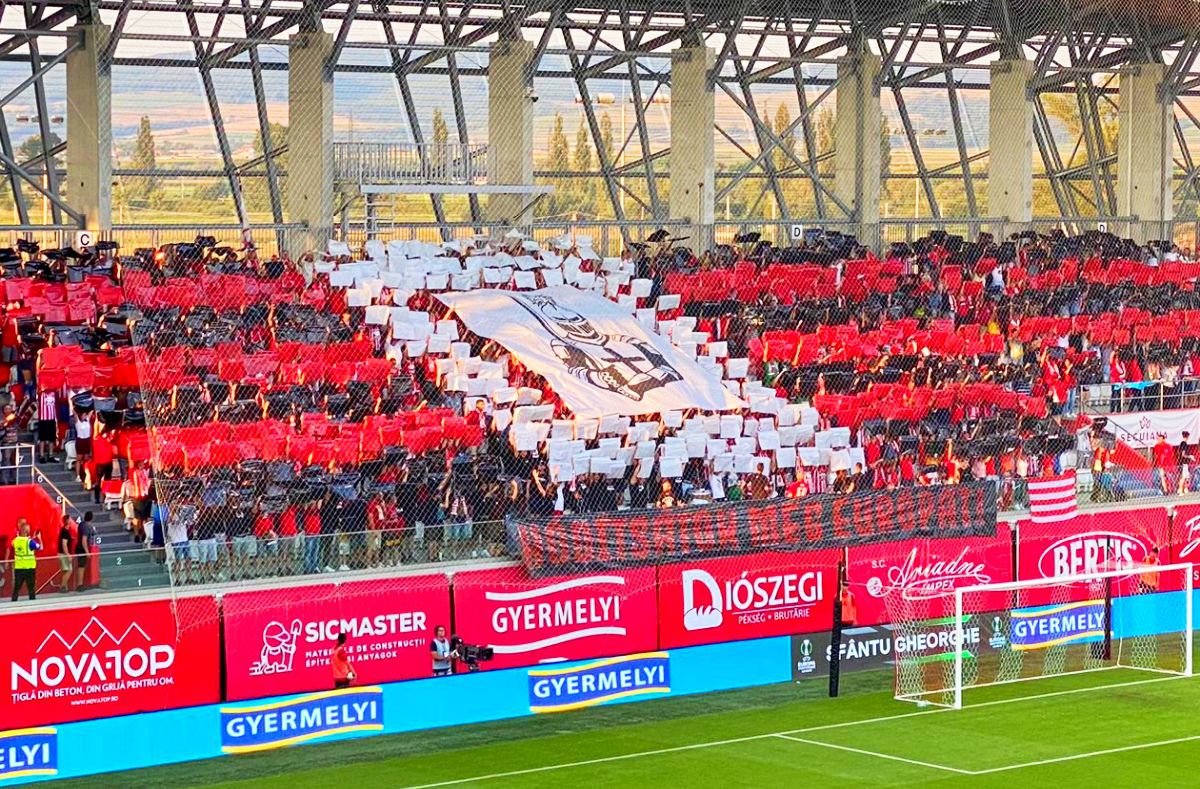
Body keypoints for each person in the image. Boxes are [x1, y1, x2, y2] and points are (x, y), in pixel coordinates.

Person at [10, 519, 41, 601]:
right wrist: (39, 539)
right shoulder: (30, 542)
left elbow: (13, 544)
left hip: (18, 568)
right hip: (29, 568)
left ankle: (13, 601)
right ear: (27, 531)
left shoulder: (15, 540)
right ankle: (32, 603)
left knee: (17, 587)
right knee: (31, 588)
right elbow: (39, 547)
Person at [74, 511, 96, 592]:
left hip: (79, 547)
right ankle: (79, 585)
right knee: (81, 567)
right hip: (82, 549)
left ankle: (81, 584)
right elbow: (84, 540)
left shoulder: (82, 524)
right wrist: (87, 552)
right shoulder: (87, 527)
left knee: (82, 566)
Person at [57, 514, 75, 592]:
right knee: (69, 570)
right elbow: (64, 544)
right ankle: (63, 586)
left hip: (62, 553)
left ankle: (65, 587)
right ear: (67, 521)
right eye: (70, 519)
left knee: (65, 570)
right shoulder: (65, 532)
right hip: (63, 554)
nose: (71, 520)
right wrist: (68, 555)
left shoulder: (64, 531)